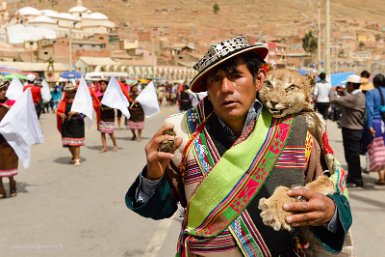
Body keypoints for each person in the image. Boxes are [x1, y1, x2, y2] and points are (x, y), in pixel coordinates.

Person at [125, 36, 352, 256]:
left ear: (259, 79)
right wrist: (153, 176)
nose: (225, 88)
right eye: (215, 79)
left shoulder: (297, 130)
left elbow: (331, 192)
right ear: (207, 88)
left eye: (236, 76)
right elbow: (157, 209)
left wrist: (330, 212)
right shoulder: (182, 134)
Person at [330, 75, 366, 188]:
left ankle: (357, 180)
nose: (346, 87)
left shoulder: (355, 98)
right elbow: (348, 96)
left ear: (351, 85)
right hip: (351, 129)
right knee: (350, 155)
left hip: (352, 130)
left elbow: (333, 100)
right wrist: (343, 91)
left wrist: (332, 91)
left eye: (347, 85)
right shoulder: (358, 95)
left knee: (353, 156)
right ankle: (352, 176)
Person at [56, 83, 85, 166]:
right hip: (66, 124)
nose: (68, 93)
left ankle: (77, 159)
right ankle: (74, 156)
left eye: (70, 91)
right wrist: (60, 114)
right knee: (68, 143)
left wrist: (75, 112)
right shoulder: (63, 101)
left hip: (77, 123)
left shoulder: (79, 101)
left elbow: (84, 112)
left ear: (74, 91)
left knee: (76, 143)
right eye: (67, 91)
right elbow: (58, 110)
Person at [365, 73, 385, 185]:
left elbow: (370, 110)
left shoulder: (371, 93)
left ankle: (381, 177)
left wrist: (369, 126)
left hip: (376, 123)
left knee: (378, 148)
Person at [0, 80, 18, 198]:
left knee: (8, 163)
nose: (2, 92)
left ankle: (12, 183)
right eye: (0, 90)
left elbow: (19, 118)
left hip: (8, 139)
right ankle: (1, 190)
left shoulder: (12, 103)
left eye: (4, 90)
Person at [97, 79, 118, 152]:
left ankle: (115, 144)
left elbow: (115, 103)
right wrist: (98, 105)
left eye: (104, 84)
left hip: (110, 115)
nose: (102, 86)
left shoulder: (110, 94)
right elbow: (96, 104)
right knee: (102, 132)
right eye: (101, 84)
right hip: (102, 116)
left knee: (110, 132)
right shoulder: (99, 95)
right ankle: (104, 147)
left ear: (107, 85)